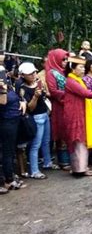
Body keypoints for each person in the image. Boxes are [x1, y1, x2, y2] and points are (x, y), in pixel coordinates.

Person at [64, 56, 92, 177]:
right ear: (73, 69)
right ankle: (79, 169)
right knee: (78, 140)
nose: (84, 69)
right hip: (75, 114)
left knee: (82, 139)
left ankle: (81, 167)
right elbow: (86, 94)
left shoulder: (77, 80)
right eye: (81, 67)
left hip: (80, 112)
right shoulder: (72, 81)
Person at [17, 62, 54, 179]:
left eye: (34, 72)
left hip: (45, 114)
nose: (33, 75)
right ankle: (34, 170)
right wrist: (35, 96)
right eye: (30, 73)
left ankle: (48, 162)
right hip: (36, 117)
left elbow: (46, 96)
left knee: (46, 141)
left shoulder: (38, 83)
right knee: (35, 145)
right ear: (23, 75)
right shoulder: (23, 89)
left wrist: (44, 91)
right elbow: (30, 108)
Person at [0, 62, 27, 190]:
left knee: (10, 151)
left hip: (13, 119)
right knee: (7, 151)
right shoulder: (2, 86)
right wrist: (2, 87)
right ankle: (8, 180)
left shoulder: (9, 84)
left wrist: (22, 102)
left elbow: (16, 96)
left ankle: (9, 176)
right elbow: (3, 101)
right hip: (6, 121)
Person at [45, 49, 71, 170]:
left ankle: (72, 159)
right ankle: (64, 161)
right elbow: (53, 91)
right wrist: (69, 95)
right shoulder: (51, 73)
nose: (65, 62)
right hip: (59, 106)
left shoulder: (66, 71)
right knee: (62, 132)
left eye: (66, 59)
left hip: (70, 106)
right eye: (63, 59)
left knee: (70, 131)